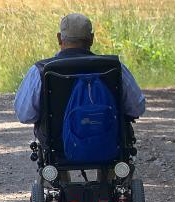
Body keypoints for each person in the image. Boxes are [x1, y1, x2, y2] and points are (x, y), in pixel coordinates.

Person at [14, 13, 145, 182]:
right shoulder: (114, 68)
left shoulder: (41, 70)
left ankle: (61, 194)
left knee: (52, 159)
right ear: (91, 39)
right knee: (116, 156)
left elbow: (25, 115)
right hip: (110, 143)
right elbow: (137, 107)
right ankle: (110, 190)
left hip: (59, 147)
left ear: (59, 38)